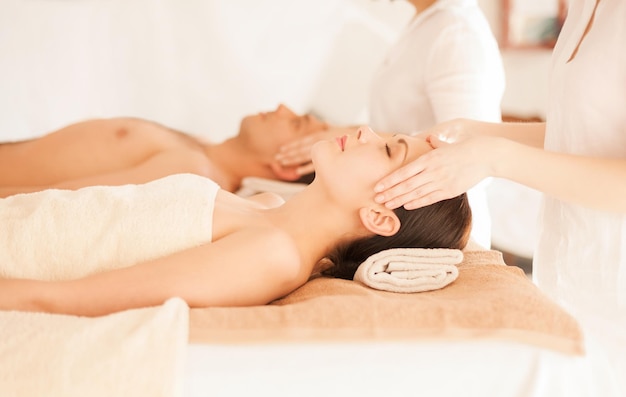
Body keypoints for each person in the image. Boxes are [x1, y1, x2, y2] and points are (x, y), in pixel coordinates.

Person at [373, 0, 625, 392]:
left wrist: (497, 155)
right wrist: (483, 133)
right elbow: (586, 132)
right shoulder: (581, 9)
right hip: (569, 276)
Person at [0, 127, 472, 317]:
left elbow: (71, 299)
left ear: (377, 216)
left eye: (390, 148)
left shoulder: (272, 257)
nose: (368, 131)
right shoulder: (264, 204)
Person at [274, 0, 504, 249]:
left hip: (426, 231)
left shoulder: (457, 33)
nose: (365, 133)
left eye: (388, 148)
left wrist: (351, 138)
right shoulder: (430, 22)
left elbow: (464, 151)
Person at [0, 104, 324, 198]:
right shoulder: (198, 149)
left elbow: (61, 197)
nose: (283, 108)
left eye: (296, 123)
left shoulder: (194, 173)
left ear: (288, 165)